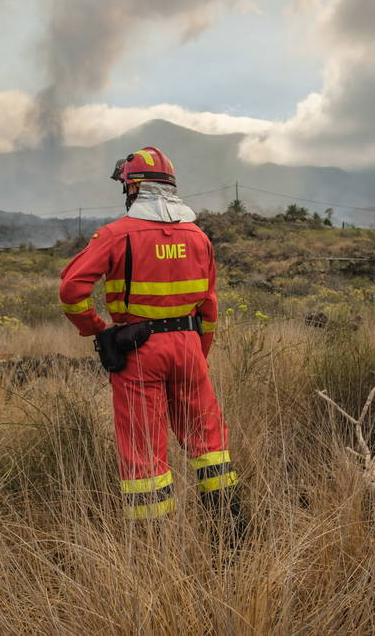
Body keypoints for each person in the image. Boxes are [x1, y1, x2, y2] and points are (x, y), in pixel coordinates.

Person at [58, 146, 245, 535]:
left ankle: (152, 546)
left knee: (143, 452)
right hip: (190, 349)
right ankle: (231, 532)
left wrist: (99, 330)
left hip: (139, 352)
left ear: (133, 189)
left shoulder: (115, 235)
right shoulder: (198, 237)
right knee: (209, 442)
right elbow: (209, 309)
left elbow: (71, 289)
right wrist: (198, 355)